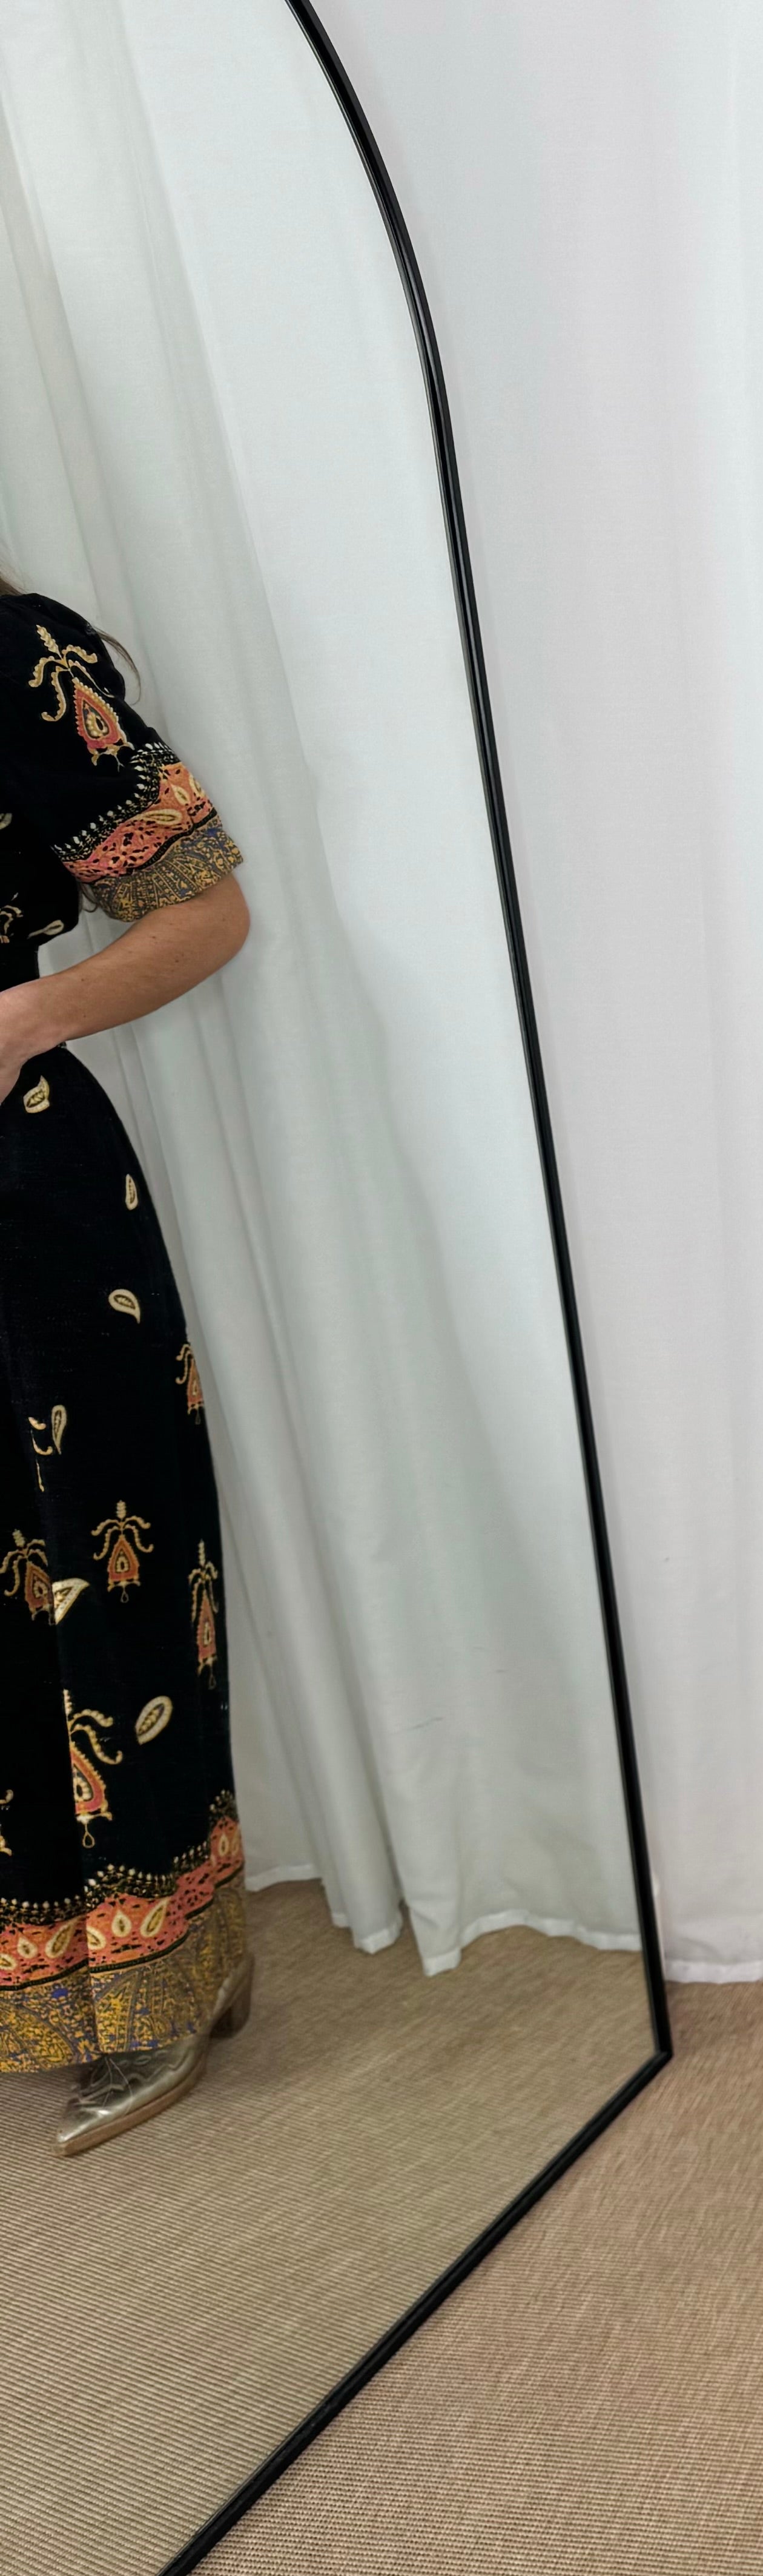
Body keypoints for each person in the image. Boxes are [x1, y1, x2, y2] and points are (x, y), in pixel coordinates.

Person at [0, 587, 248, 2153]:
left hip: (25, 1204)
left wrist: (26, 1014)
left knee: (100, 1577)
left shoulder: (20, 657)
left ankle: (169, 1973)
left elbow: (204, 912)